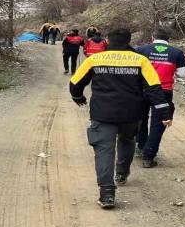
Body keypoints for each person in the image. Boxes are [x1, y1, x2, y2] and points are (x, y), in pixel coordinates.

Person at [69, 28, 172, 208]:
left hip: (102, 113)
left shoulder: (95, 59)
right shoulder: (141, 60)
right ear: (128, 41)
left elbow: (75, 83)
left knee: (104, 150)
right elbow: (154, 88)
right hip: (131, 113)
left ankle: (107, 193)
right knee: (127, 140)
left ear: (108, 41)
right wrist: (164, 113)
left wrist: (78, 97)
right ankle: (122, 173)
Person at [135, 28, 185, 168]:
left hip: (142, 89)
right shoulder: (176, 52)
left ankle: (141, 145)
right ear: (168, 39)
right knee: (158, 124)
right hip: (164, 91)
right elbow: (183, 74)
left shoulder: (141, 50)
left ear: (153, 37)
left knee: (141, 118)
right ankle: (148, 157)